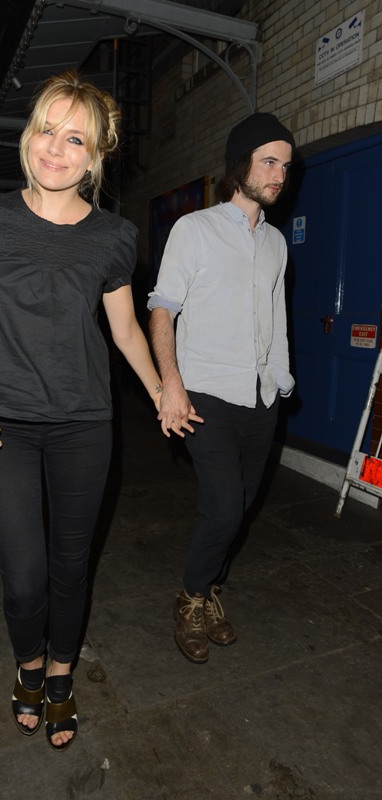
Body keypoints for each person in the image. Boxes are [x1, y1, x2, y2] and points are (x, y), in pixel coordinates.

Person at [0, 71, 164, 751]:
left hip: (83, 423)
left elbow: (125, 331)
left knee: (71, 566)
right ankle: (28, 663)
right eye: (46, 131)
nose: (56, 149)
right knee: (24, 575)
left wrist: (162, 392)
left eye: (75, 139)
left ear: (94, 157)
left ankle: (60, 673)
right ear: (28, 137)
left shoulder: (113, 237)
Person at [148, 112, 296, 664]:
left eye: (285, 165)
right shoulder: (194, 230)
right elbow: (162, 309)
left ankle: (209, 590)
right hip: (205, 393)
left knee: (242, 506)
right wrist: (171, 385)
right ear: (241, 166)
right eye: (269, 162)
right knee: (226, 511)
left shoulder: (276, 243)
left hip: (261, 395)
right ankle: (191, 598)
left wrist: (281, 378)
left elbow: (276, 317)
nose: (279, 175)